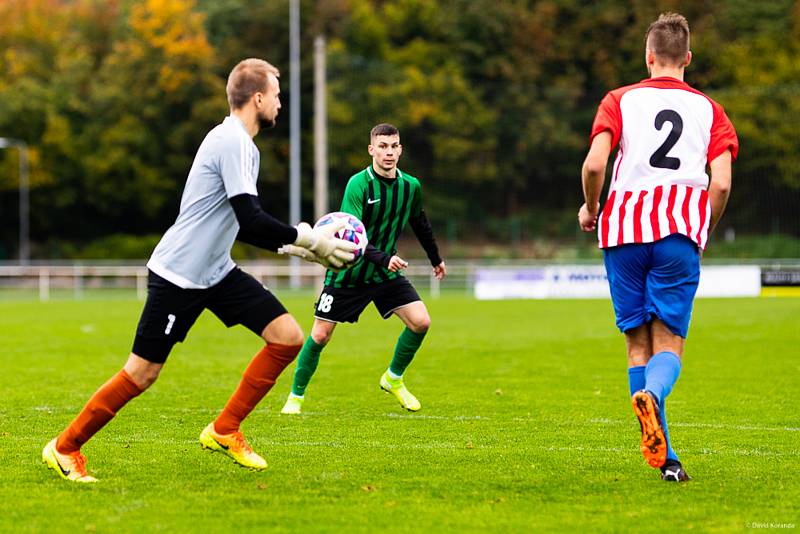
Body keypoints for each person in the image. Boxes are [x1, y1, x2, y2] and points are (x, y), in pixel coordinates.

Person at [42, 58, 357, 482]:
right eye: (277, 96)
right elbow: (251, 220)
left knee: (286, 338)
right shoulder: (230, 141)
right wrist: (310, 241)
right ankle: (64, 447)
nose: (281, 104)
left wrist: (303, 249)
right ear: (258, 97)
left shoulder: (247, 147)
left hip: (216, 272)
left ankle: (225, 430)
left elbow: (246, 221)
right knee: (142, 373)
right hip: (179, 275)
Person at [578, 13, 738, 482]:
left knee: (637, 344)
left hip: (623, 230)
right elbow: (722, 184)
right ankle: (655, 404)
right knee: (669, 344)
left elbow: (593, 167)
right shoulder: (711, 109)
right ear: (687, 58)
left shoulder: (619, 99)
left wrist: (591, 208)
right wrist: (700, 227)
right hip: (678, 232)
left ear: (649, 57)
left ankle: (667, 460)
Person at [278, 123, 446, 415]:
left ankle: (393, 379)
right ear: (371, 150)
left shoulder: (411, 187)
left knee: (421, 322)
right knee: (320, 336)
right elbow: (348, 237)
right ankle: (295, 397)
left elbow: (420, 222)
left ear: (400, 149)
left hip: (384, 273)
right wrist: (383, 258)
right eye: (382, 146)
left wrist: (435, 258)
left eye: (394, 146)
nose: (389, 152)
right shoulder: (359, 184)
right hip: (347, 271)